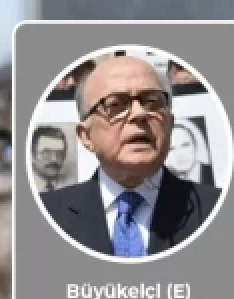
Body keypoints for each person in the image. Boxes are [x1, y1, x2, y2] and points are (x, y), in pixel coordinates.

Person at [39, 55, 222, 259]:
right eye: (115, 104)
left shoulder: (218, 209)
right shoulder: (44, 215)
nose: (139, 113)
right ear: (86, 136)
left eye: (152, 102)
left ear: (170, 124)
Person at [30, 125, 70, 192]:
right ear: (32, 155)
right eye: (46, 153)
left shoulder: (70, 186)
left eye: (59, 153)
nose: (54, 159)